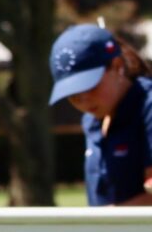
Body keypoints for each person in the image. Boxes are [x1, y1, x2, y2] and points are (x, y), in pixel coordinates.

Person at [49, 23, 152, 206]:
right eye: (73, 95)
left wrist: (105, 222)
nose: (84, 101)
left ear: (117, 65)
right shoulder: (92, 120)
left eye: (90, 86)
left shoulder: (147, 107)